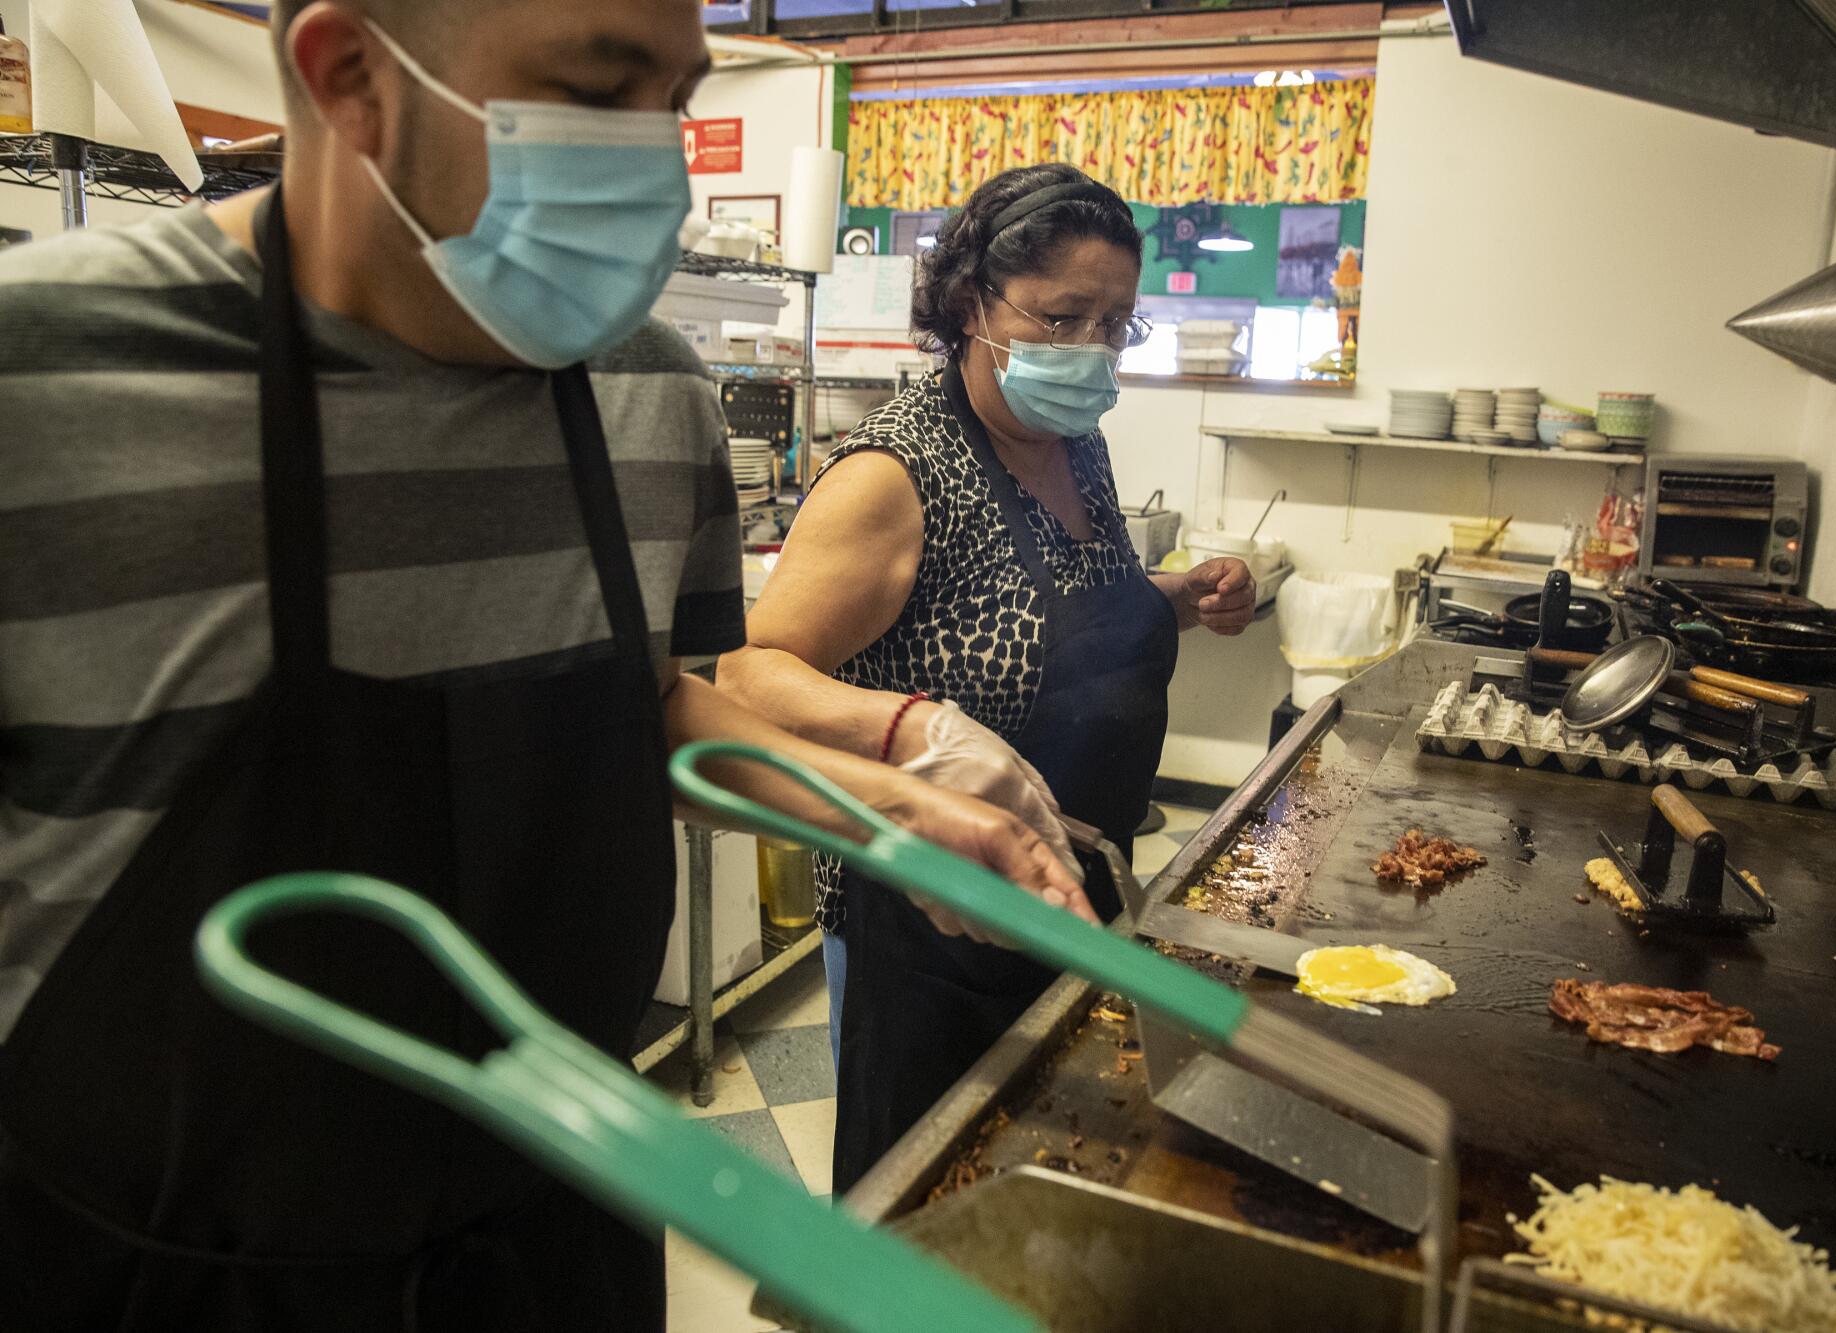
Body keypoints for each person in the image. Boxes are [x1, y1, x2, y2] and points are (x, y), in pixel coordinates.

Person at [0, 4, 1090, 1330]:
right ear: (351, 75)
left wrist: (898, 810)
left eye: (673, 99)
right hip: (161, 1275)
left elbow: (643, 714)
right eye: (596, 89)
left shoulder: (650, 392)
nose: (656, 165)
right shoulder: (44, 381)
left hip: (554, 1234)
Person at [716, 163, 1257, 1192]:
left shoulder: (1075, 442)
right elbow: (747, 674)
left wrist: (1180, 595)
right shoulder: (894, 473)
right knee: (929, 1210)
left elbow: (1056, 597)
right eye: (1062, 316)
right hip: (932, 922)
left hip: (1067, 891)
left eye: (1114, 324)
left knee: (1043, 1197)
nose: (1091, 349)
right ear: (973, 304)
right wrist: (914, 730)